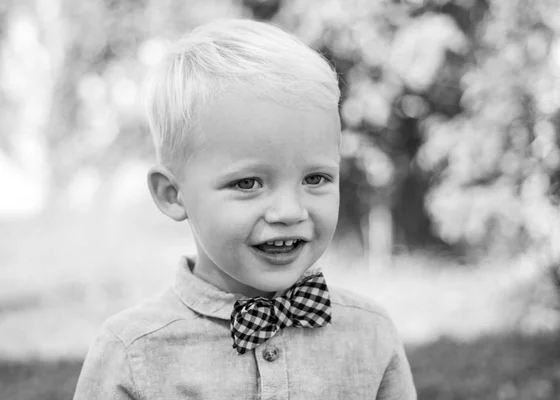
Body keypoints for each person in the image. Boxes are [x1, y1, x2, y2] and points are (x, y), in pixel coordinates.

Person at [73, 18, 416, 400]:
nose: (289, 212)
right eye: (247, 183)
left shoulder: (370, 334)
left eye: (315, 179)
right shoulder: (133, 353)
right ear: (172, 194)